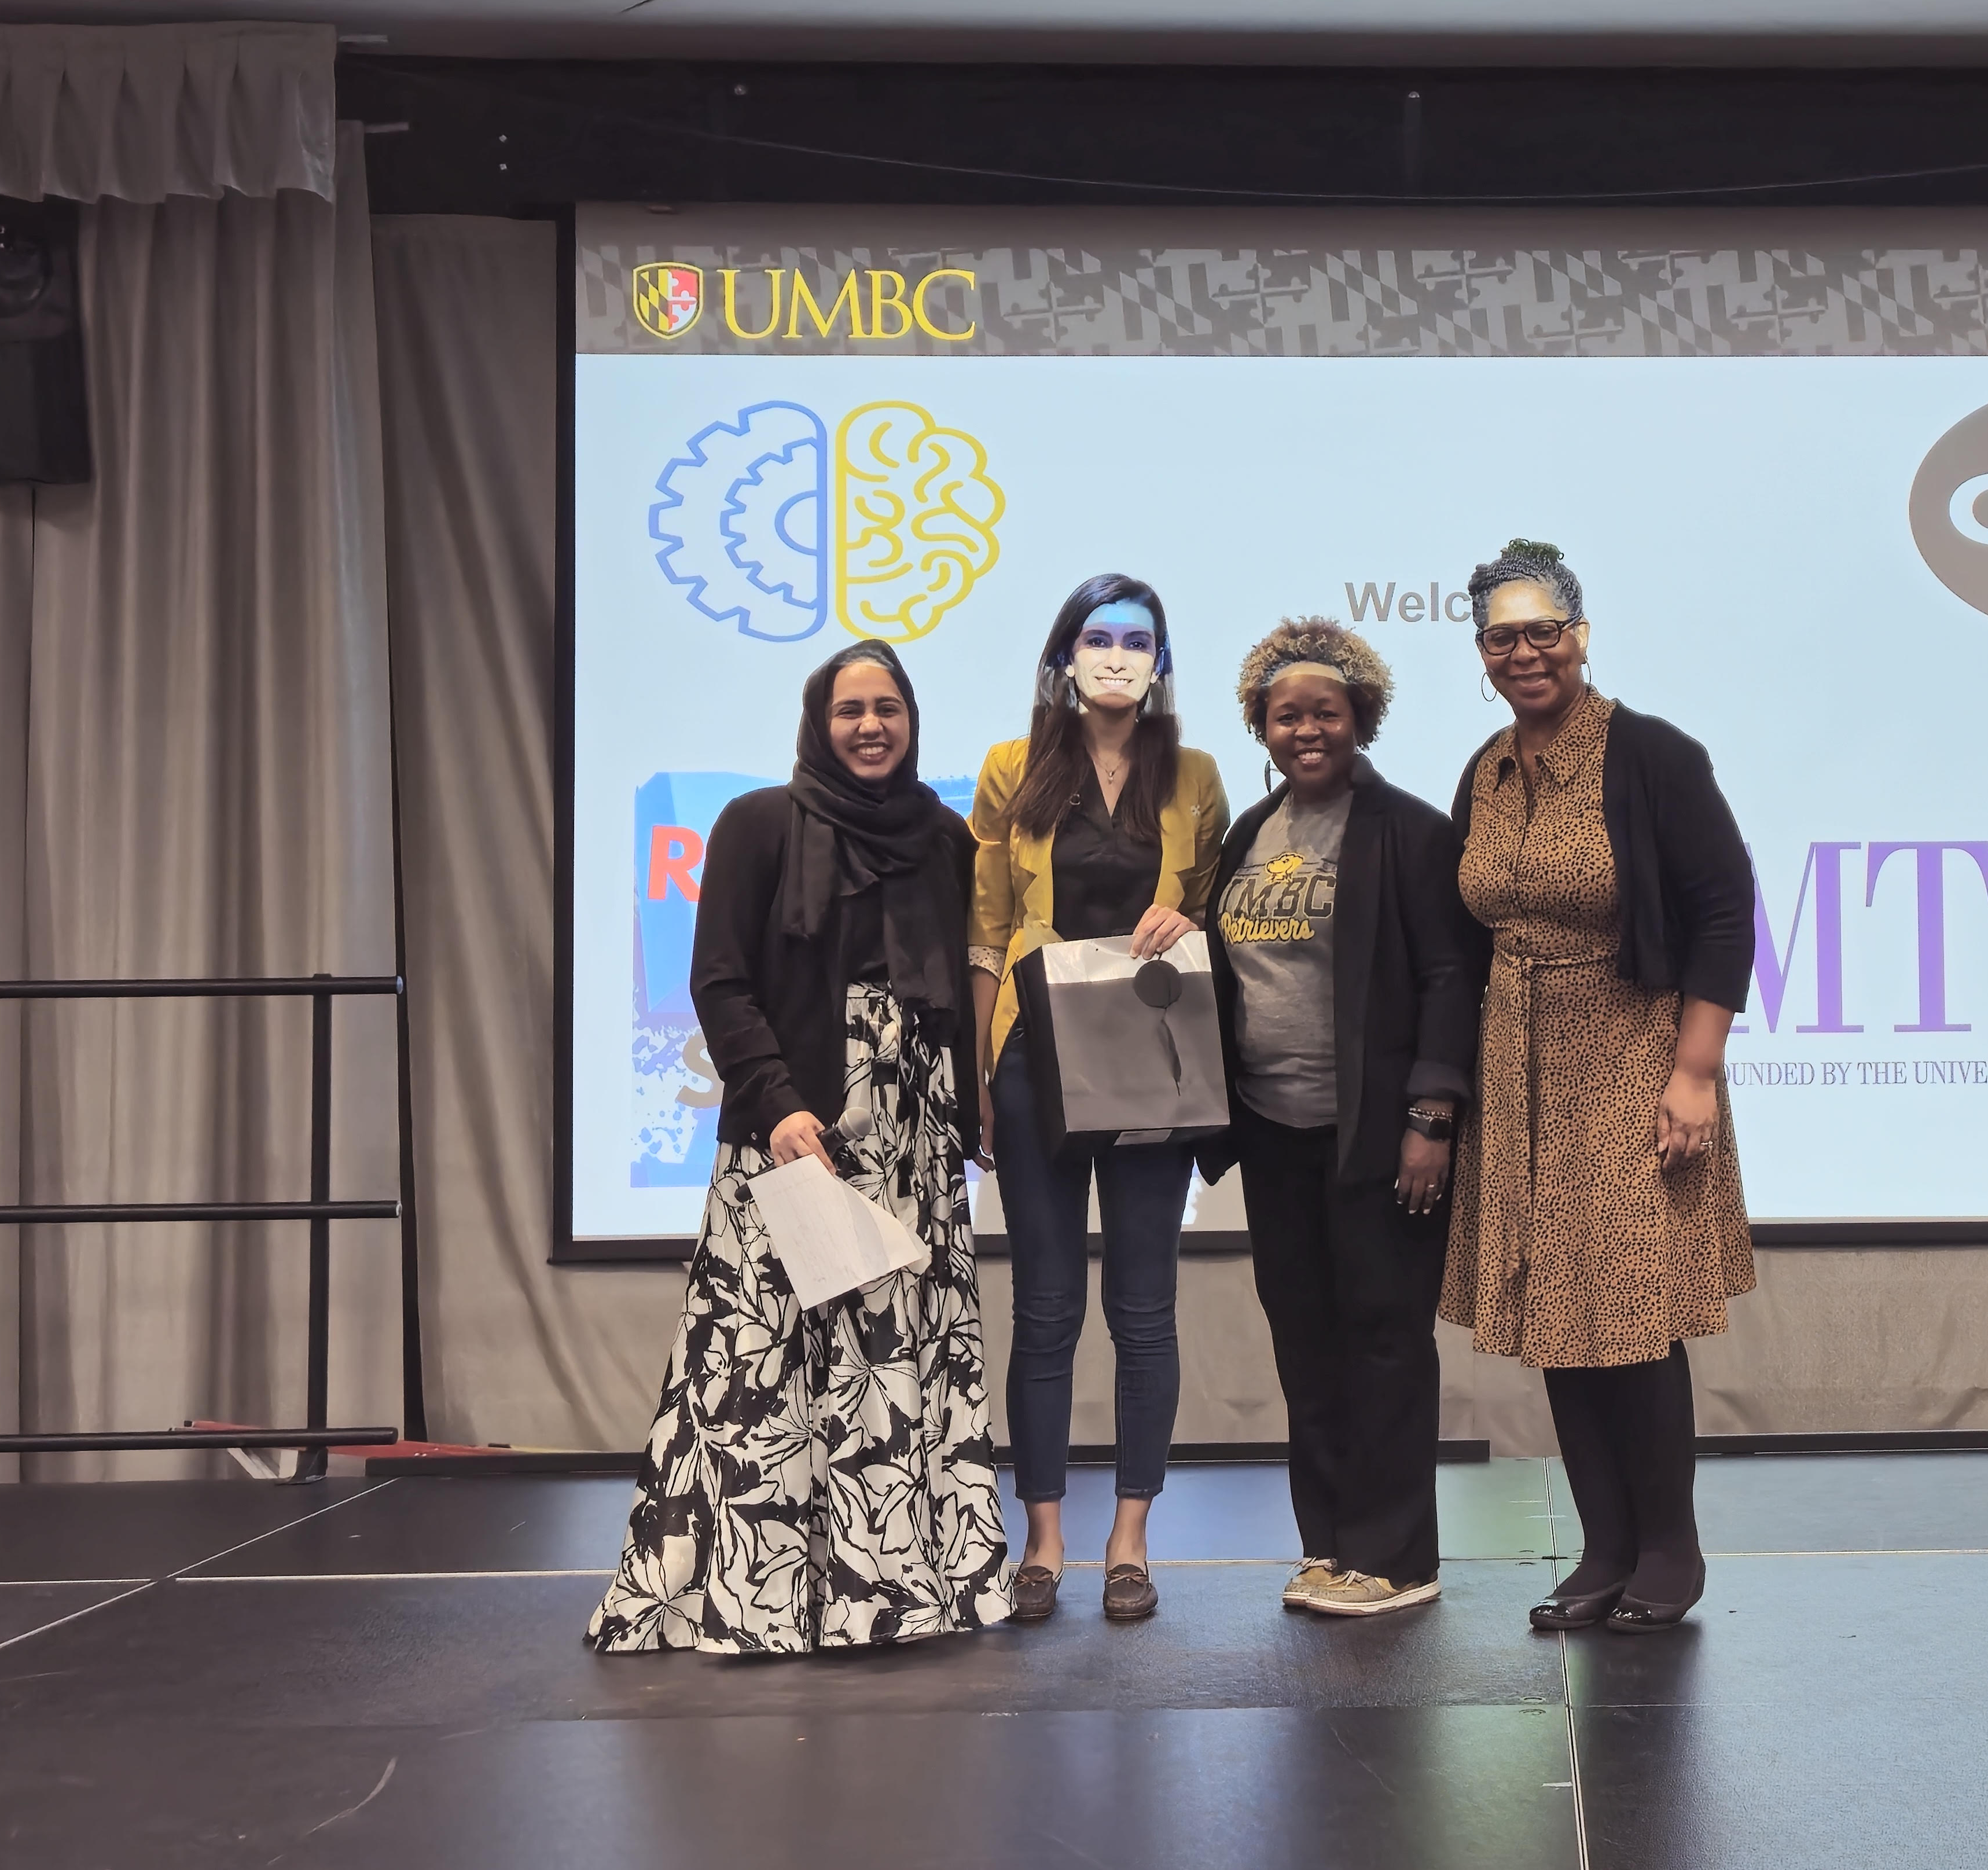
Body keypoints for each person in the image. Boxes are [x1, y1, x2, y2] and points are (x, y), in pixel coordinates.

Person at [590, 639, 1004, 1654]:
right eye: (849, 710)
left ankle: (898, 1590)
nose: (871, 726)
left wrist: (971, 1112)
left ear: (913, 723)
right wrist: (776, 1105)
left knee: (893, 1361)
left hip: (909, 1140)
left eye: (889, 708)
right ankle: (766, 1599)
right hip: (794, 1134)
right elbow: (720, 982)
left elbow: (956, 992)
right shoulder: (758, 824)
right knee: (768, 1370)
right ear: (820, 724)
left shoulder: (943, 838)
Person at [1438, 539, 1758, 1635]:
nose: (1524, 652)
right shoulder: (1485, 770)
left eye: (1544, 631)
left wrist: (1695, 1073)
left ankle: (1670, 1546)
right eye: (1501, 637)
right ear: (1481, 652)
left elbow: (1725, 911)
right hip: (1517, 1059)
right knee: (1558, 1313)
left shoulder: (1652, 754)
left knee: (1629, 1307)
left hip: (1632, 1050)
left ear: (1580, 636)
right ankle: (1605, 1548)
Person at [1203, 619, 1479, 1620]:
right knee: (1305, 1340)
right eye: (1287, 716)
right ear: (1260, 727)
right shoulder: (1247, 834)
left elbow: (1450, 977)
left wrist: (1431, 1116)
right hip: (1272, 1134)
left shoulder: (1410, 831)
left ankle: (1396, 1557)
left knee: (1385, 1339)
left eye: (1326, 712)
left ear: (1361, 717)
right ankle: (1327, 1545)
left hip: (1379, 1136)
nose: (1307, 730)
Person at [970, 575, 1230, 1624]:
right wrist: (979, 1074)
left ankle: (1130, 1539)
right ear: (1064, 658)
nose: (1117, 656)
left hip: (1150, 1061)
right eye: (1097, 638)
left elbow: (1216, 909)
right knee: (1044, 1308)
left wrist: (1190, 920)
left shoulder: (1196, 775)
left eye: (1138, 641)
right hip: (1032, 1055)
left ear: (1160, 663)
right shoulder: (1012, 766)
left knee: (1144, 1308)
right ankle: (1042, 1540)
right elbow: (988, 930)